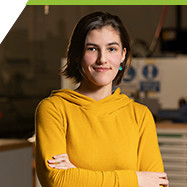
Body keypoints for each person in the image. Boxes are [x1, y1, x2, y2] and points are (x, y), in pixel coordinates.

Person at [35, 11, 169, 187]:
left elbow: (156, 184)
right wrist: (136, 179)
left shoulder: (140, 116)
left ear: (123, 55)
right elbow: (58, 181)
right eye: (92, 49)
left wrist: (78, 176)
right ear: (77, 55)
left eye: (111, 49)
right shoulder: (54, 109)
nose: (102, 59)